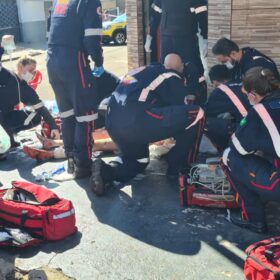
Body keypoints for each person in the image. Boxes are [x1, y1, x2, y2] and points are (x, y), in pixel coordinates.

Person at [90, 54, 205, 196]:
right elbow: (182, 109)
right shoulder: (171, 76)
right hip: (136, 122)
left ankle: (107, 172)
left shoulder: (141, 70)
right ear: (179, 69)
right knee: (196, 114)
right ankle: (179, 166)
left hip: (113, 123)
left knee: (140, 161)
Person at [47, 0, 104, 181]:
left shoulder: (59, 1)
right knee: (85, 115)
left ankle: (71, 160)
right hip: (73, 60)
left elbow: (50, 30)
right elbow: (92, 36)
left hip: (52, 59)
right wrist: (98, 61)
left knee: (67, 114)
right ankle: (84, 165)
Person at [222, 67, 280, 233]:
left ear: (252, 94)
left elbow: (239, 148)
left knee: (228, 157)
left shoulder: (260, 111)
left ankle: (255, 220)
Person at [145, 0, 208, 104]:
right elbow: (155, 16)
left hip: (187, 38)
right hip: (167, 39)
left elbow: (202, 17)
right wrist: (149, 37)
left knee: (192, 68)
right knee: (165, 69)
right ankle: (167, 99)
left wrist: (205, 38)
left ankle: (196, 99)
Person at [0, 51, 59, 149]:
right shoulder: (7, 75)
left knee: (35, 116)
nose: (32, 73)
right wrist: (2, 47)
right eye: (30, 70)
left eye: (34, 71)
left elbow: (40, 108)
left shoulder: (24, 88)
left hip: (5, 118)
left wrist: (53, 127)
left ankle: (9, 136)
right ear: (20, 66)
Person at [204, 64, 251, 152]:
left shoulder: (220, 91)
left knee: (204, 122)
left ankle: (224, 150)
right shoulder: (242, 83)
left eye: (213, 84)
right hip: (261, 124)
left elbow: (206, 112)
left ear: (215, 81)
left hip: (245, 130)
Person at [212, 37, 280, 83]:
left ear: (233, 53)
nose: (225, 64)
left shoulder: (255, 65)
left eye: (224, 61)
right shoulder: (237, 61)